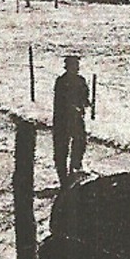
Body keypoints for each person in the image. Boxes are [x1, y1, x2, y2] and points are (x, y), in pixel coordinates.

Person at [52, 53, 92, 186]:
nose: (76, 68)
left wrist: (86, 103)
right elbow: (60, 101)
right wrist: (72, 107)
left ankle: (74, 169)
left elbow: (85, 96)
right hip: (62, 120)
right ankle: (63, 178)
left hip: (77, 119)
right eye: (73, 65)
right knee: (61, 149)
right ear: (67, 67)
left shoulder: (81, 81)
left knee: (80, 143)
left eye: (77, 66)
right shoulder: (61, 81)